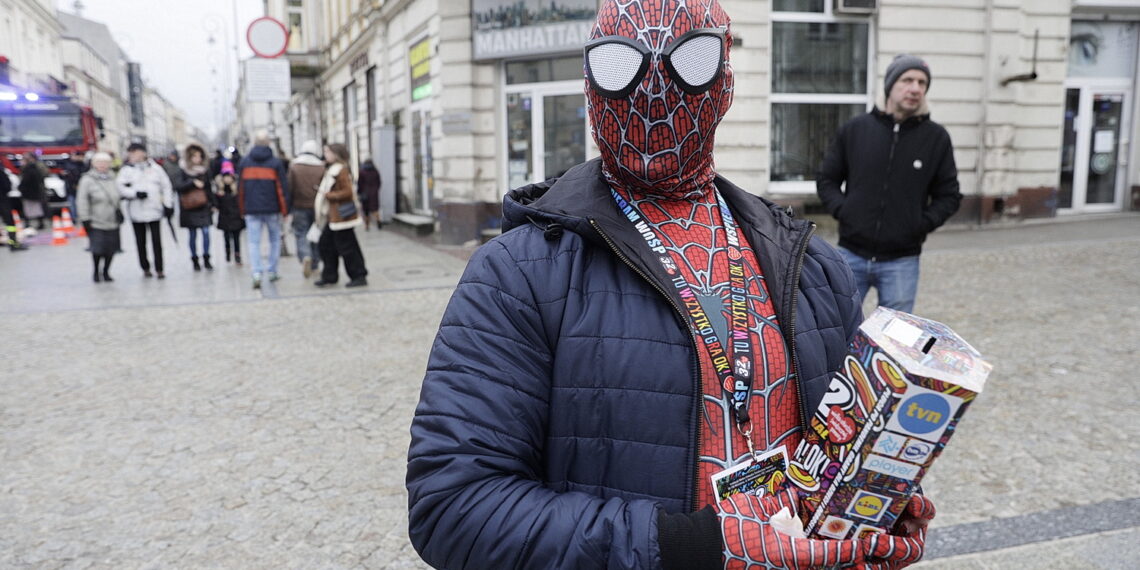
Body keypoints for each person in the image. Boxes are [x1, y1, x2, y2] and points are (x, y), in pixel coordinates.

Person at [406, 2, 936, 569]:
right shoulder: (518, 273)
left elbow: (842, 436)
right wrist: (691, 546)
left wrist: (869, 502)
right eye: (621, 65)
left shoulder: (812, 266)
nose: (653, 86)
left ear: (725, 79)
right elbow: (453, 505)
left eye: (690, 60)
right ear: (591, 83)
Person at [816, 54, 961, 314]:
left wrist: (919, 225)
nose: (915, 88)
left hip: (902, 261)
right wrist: (845, 212)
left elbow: (949, 195)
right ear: (890, 85)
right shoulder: (856, 129)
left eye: (922, 82)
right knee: (838, 326)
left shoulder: (936, 138)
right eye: (907, 80)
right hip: (851, 253)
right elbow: (827, 179)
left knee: (894, 339)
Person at [237, 130, 288, 289]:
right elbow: (282, 188)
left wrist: (241, 208)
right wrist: (285, 209)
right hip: (272, 208)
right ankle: (272, 270)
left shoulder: (245, 162)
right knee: (274, 239)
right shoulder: (275, 163)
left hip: (251, 208)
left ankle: (256, 272)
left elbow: (240, 189)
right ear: (268, 144)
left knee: (253, 242)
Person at [313, 143, 367, 288]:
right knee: (326, 245)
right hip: (333, 217)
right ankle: (330, 276)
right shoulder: (332, 169)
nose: (325, 154)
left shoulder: (341, 170)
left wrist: (329, 195)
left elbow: (348, 192)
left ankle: (358, 275)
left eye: (327, 152)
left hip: (341, 217)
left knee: (347, 247)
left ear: (336, 154)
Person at [117, 142, 174, 279]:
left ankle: (159, 268)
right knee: (140, 242)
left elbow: (166, 186)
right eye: (131, 154)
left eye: (135, 153)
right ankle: (145, 267)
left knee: (157, 242)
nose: (133, 156)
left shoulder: (156, 168)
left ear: (142, 153)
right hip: (136, 211)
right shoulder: (126, 170)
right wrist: (134, 193)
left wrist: (168, 204)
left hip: (154, 210)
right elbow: (120, 187)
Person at [76, 152, 122, 282]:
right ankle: (96, 271)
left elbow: (118, 196)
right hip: (95, 220)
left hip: (112, 219)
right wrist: (85, 218)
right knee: (97, 249)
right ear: (93, 164)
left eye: (106, 162)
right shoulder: (87, 179)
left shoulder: (113, 178)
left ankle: (106, 271)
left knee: (111, 249)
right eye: (100, 162)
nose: (103, 165)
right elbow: (82, 200)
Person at [175, 143, 218, 271]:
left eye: (199, 156)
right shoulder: (182, 170)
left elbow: (209, 188)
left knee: (206, 232)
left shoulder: (205, 170)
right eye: (195, 156)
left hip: (203, 205)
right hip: (189, 207)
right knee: (192, 234)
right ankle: (194, 259)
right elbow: (178, 187)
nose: (197, 159)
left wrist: (214, 203)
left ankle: (206, 257)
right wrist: (192, 182)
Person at [286, 139, 325, 277]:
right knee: (315, 234)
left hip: (299, 206)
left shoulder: (295, 166)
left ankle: (305, 256)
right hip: (317, 207)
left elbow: (289, 188)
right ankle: (314, 263)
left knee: (301, 233)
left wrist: (287, 209)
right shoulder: (321, 167)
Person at [214, 162, 245, 265]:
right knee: (226, 237)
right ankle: (227, 252)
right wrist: (219, 196)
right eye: (225, 177)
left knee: (236, 238)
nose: (227, 179)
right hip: (225, 218)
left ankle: (237, 254)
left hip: (236, 217)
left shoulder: (237, 190)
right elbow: (216, 205)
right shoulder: (220, 191)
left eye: (229, 177)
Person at [18, 152, 47, 230]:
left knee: (32, 208)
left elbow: (26, 181)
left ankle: (32, 224)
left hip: (31, 192)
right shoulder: (31, 168)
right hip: (33, 192)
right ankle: (36, 223)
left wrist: (20, 188)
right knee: (33, 208)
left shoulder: (30, 170)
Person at [2, 165, 28, 250]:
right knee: (10, 223)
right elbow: (7, 185)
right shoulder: (2, 172)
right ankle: (13, 243)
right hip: (2, 201)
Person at [62, 152, 89, 223]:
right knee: (72, 204)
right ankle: (74, 218)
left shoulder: (82, 164)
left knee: (81, 203)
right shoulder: (68, 164)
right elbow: (67, 176)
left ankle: (82, 217)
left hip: (81, 187)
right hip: (71, 188)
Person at [357, 158, 381, 230]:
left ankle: (367, 225)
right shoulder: (375, 171)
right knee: (375, 209)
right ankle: (378, 220)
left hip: (365, 193)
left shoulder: (362, 172)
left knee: (366, 211)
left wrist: (359, 192)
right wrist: (376, 189)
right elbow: (379, 182)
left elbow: (359, 184)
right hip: (374, 193)